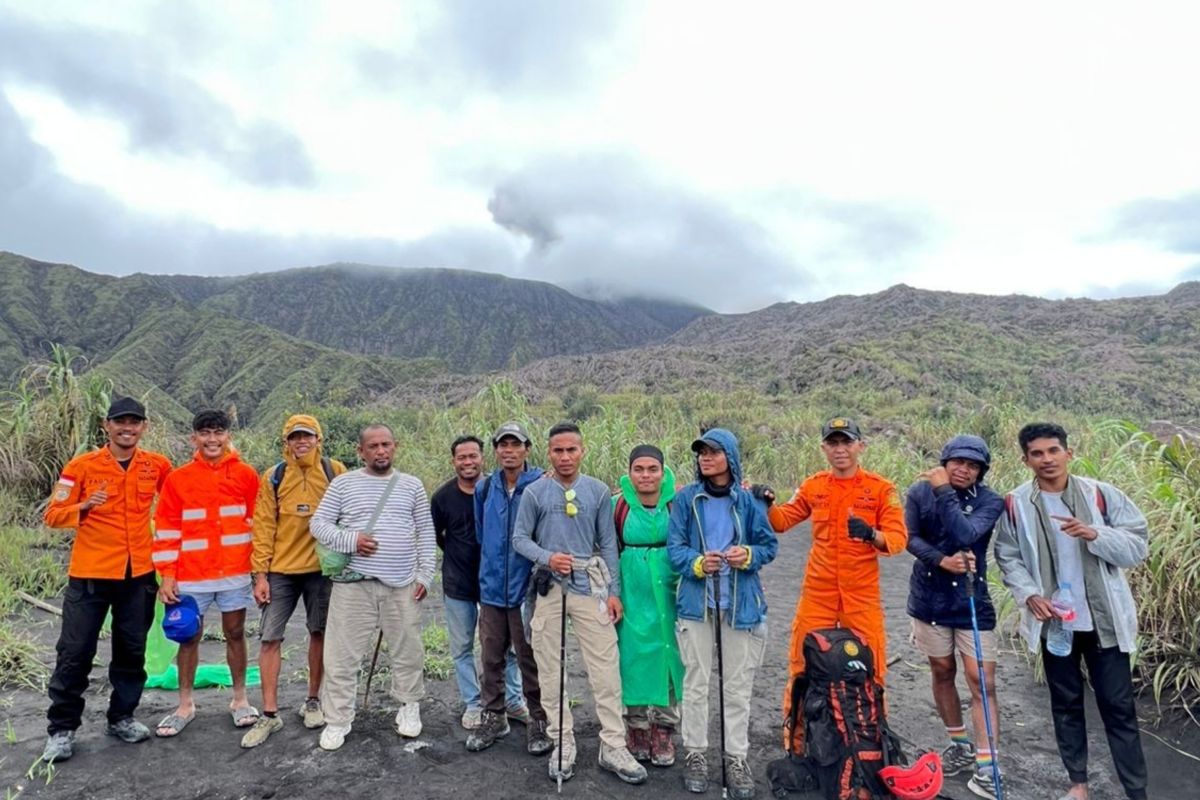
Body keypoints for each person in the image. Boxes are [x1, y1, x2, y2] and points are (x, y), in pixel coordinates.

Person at [994, 423, 1150, 800]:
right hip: (1055, 625)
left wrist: (1097, 534)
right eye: (1037, 453)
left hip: (1103, 621)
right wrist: (1029, 594)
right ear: (1025, 459)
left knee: (1118, 706)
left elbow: (1138, 544)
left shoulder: (1100, 496)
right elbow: (1007, 555)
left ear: (1069, 453)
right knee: (1065, 704)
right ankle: (1078, 785)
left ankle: (1136, 791)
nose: (1047, 459)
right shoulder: (1017, 503)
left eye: (1053, 451)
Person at [755, 417, 906, 755]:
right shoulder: (814, 486)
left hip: (861, 596)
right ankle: (796, 745)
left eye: (847, 442)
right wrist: (764, 502)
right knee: (802, 664)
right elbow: (782, 521)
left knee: (871, 667)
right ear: (824, 448)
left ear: (860, 446)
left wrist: (871, 533)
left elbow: (898, 540)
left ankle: (871, 746)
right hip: (818, 593)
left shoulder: (881, 489)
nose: (840, 449)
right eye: (833, 443)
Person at [39, 397, 173, 762]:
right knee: (75, 653)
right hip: (90, 577)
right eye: (120, 422)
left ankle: (122, 717)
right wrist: (83, 506)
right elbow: (52, 514)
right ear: (106, 425)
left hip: (138, 575)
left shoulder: (156, 465)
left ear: (144, 427)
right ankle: (62, 729)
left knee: (131, 651)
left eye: (134, 422)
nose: (127, 428)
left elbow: (177, 498)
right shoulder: (82, 466)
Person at [513, 422, 646, 785]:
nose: (565, 457)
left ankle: (613, 745)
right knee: (551, 668)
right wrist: (548, 556)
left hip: (591, 584)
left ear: (582, 451)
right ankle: (562, 741)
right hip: (549, 587)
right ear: (548, 453)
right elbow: (520, 539)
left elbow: (608, 544)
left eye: (572, 449)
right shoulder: (536, 493)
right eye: (558, 450)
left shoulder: (598, 491)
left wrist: (614, 591)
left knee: (605, 665)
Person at [309, 423, 436, 751]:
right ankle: (338, 719)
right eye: (373, 446)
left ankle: (409, 707)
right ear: (360, 452)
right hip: (354, 586)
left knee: (408, 650)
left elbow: (425, 531)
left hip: (402, 584)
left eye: (386, 445)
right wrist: (351, 540)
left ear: (395, 446)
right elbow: (318, 524)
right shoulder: (343, 484)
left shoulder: (411, 485)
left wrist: (424, 575)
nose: (381, 451)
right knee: (341, 655)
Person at [667, 428, 778, 799]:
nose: (706, 457)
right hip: (697, 603)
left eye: (714, 452)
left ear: (729, 456)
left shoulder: (748, 502)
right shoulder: (686, 499)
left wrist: (747, 555)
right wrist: (698, 563)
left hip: (740, 603)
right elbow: (675, 548)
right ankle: (695, 754)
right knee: (695, 682)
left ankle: (736, 757)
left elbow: (768, 546)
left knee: (737, 685)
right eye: (701, 452)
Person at [905, 435, 1005, 799]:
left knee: (982, 681)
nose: (964, 469)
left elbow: (966, 532)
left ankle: (987, 764)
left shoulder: (992, 501)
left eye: (973, 465)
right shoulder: (919, 493)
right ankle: (959, 743)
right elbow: (909, 537)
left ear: (981, 471)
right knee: (942, 671)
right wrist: (940, 559)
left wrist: (944, 490)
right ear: (945, 461)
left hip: (971, 601)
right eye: (957, 462)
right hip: (928, 601)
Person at [239, 414, 347, 748]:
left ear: (319, 439)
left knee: (320, 633)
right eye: (295, 437)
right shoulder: (274, 476)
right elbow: (263, 526)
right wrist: (260, 575)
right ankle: (269, 714)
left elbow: (348, 515)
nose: (302, 442)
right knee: (270, 638)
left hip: (322, 570)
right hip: (281, 571)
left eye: (308, 436)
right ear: (286, 442)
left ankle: (313, 700)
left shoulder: (335, 471)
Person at [153, 409, 261, 738]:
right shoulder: (178, 479)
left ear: (228, 435)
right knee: (188, 636)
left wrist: (259, 573)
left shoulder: (246, 475)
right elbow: (167, 529)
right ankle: (185, 705)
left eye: (218, 432)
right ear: (194, 438)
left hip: (235, 572)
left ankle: (240, 700)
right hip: (191, 576)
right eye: (205, 433)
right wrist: (168, 575)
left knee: (235, 633)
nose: (212, 439)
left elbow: (258, 525)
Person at [466, 421, 552, 755]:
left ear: (527, 449)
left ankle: (538, 720)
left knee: (530, 658)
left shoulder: (542, 484)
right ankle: (494, 716)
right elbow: (481, 534)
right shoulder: (486, 488)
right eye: (503, 445)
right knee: (490, 657)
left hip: (527, 589)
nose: (509, 451)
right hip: (491, 589)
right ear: (496, 450)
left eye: (515, 444)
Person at [430, 434, 524, 730]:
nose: (468, 462)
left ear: (483, 457)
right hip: (458, 584)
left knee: (506, 647)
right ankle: (473, 704)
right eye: (462, 457)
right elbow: (436, 536)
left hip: (496, 584)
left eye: (473, 456)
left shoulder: (495, 490)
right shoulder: (442, 497)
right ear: (453, 461)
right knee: (461, 647)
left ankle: (512, 699)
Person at [615, 444, 684, 767]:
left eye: (652, 469)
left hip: (671, 590)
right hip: (631, 591)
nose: (645, 476)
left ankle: (664, 727)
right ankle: (637, 726)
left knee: (670, 656)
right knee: (633, 656)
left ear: (663, 470)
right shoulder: (618, 505)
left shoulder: (677, 502)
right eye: (639, 469)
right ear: (629, 472)